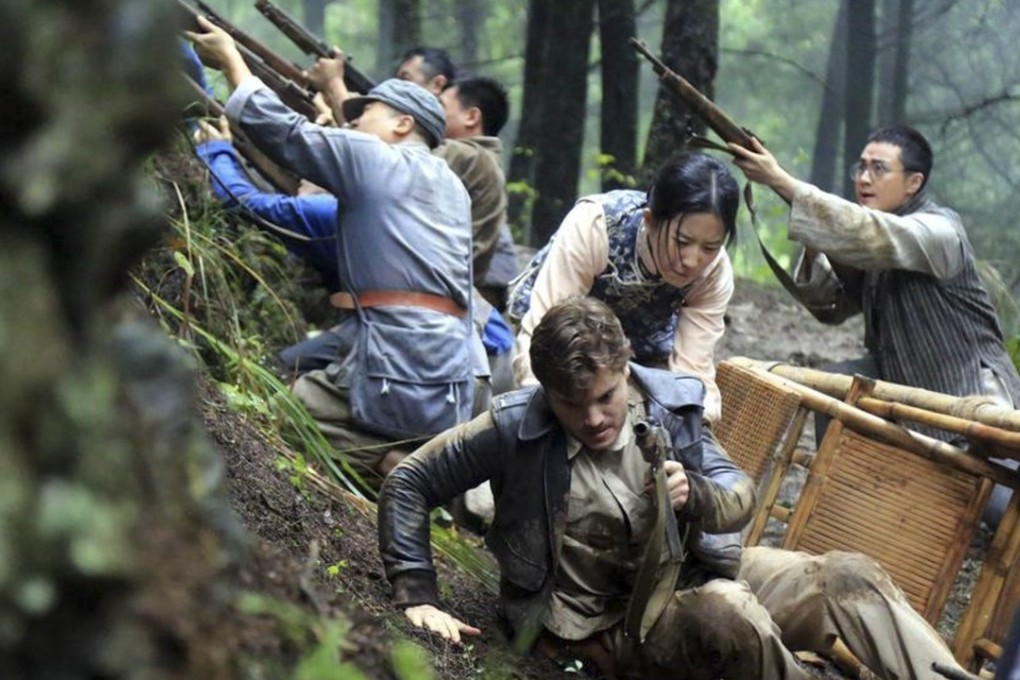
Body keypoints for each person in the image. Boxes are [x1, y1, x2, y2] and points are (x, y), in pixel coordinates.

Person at [378, 296, 968, 680]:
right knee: (729, 615)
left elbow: (741, 495)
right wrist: (418, 593)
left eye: (605, 397)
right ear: (547, 394)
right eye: (571, 404)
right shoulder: (514, 427)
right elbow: (411, 479)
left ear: (626, 368)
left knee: (846, 576)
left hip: (696, 567)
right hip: (605, 622)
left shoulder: (666, 404)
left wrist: (698, 496)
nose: (592, 418)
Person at [187, 18, 485, 486]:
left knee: (287, 406)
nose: (356, 123)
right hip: (454, 384)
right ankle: (411, 460)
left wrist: (230, 58)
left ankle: (394, 468)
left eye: (367, 115)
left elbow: (282, 130)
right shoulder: (452, 188)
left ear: (402, 124)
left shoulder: (378, 159)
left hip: (399, 369)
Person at [730, 124, 1020, 526]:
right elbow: (828, 306)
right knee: (840, 383)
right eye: (861, 167)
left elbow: (872, 235)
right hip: (908, 394)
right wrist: (821, 237)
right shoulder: (876, 236)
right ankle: (846, 509)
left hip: (973, 400)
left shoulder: (939, 231)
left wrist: (780, 181)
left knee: (1003, 512)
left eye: (879, 169)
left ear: (914, 183)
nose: (864, 179)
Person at [508, 152, 737, 424]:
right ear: (650, 220)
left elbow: (692, 369)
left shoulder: (713, 272)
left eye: (710, 247)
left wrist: (696, 419)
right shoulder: (596, 227)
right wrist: (541, 406)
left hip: (644, 352)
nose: (692, 260)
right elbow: (543, 328)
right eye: (682, 241)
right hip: (563, 338)